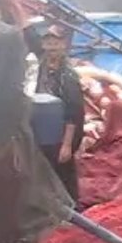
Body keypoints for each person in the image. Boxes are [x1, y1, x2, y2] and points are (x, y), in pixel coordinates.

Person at [35, 23, 85, 204]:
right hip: (43, 127)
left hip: (64, 130)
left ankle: (71, 208)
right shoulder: (39, 66)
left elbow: (73, 113)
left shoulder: (68, 76)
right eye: (47, 43)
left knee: (64, 169)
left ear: (63, 45)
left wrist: (67, 145)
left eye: (55, 43)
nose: (51, 47)